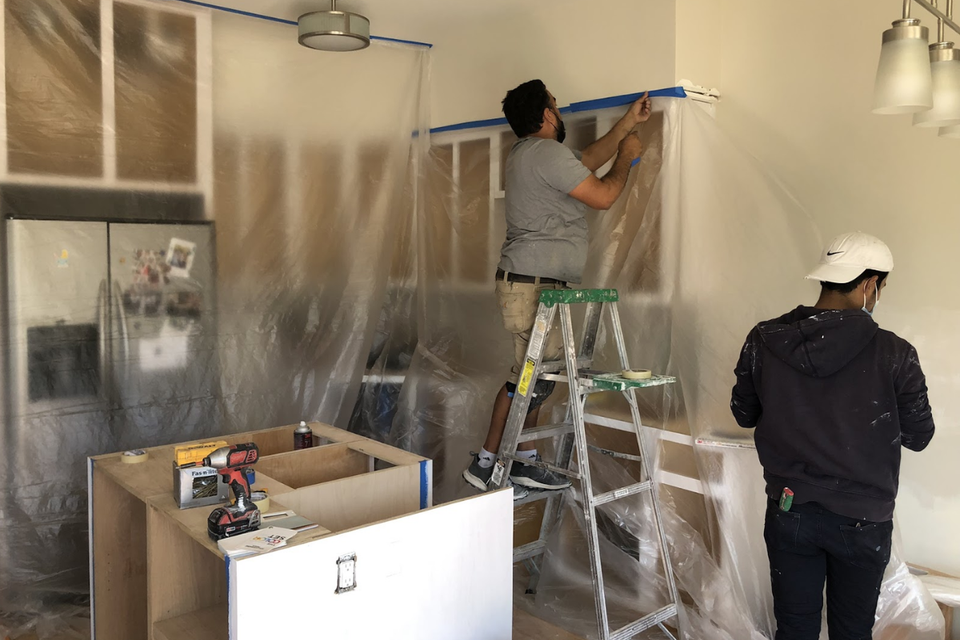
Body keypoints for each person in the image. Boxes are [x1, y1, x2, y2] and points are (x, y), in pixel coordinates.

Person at [730, 231, 935, 640]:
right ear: (869, 285)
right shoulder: (895, 353)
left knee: (795, 628)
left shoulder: (764, 339)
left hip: (790, 508)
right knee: (852, 631)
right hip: (863, 519)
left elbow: (743, 413)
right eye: (881, 288)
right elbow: (919, 436)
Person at [463, 79, 650, 493]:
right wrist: (627, 156)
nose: (560, 111)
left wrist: (626, 123)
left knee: (534, 376)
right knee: (530, 378)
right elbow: (602, 195)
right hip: (532, 287)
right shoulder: (544, 153)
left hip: (533, 284)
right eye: (556, 105)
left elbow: (587, 159)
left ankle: (512, 459)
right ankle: (493, 461)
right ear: (548, 114)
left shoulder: (534, 154)